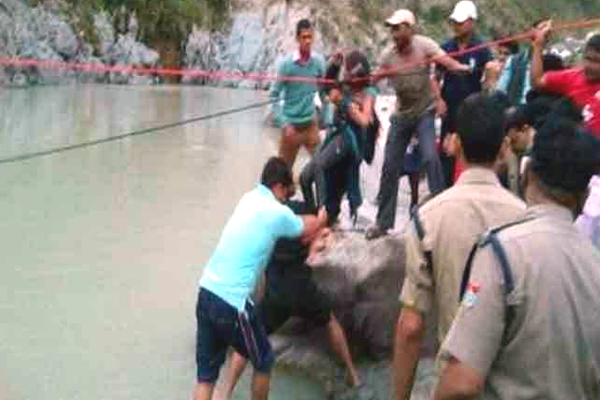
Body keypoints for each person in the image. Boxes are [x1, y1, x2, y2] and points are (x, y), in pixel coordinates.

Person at [434, 116, 600, 400]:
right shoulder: (594, 264)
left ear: (528, 174)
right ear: (584, 196)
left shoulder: (500, 253)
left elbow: (461, 383)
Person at [392, 92, 526, 400]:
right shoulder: (525, 218)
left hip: (453, 382)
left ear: (456, 144)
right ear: (503, 148)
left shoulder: (428, 218)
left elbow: (411, 327)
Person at [192, 157, 328, 400]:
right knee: (264, 359)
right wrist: (321, 217)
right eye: (287, 194)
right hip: (232, 303)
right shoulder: (276, 212)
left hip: (206, 291)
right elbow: (306, 227)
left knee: (206, 378)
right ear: (278, 187)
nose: (286, 201)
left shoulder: (248, 198)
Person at [223, 201, 361, 400]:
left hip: (277, 295)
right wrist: (322, 220)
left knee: (246, 342)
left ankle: (226, 391)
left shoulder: (271, 225)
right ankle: (353, 375)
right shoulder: (305, 225)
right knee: (331, 322)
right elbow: (320, 235)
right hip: (302, 290)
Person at [365, 9, 471, 240]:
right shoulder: (388, 56)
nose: (393, 33)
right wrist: (359, 80)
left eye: (397, 28)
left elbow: (446, 61)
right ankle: (383, 223)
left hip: (424, 111)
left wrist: (460, 68)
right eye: (391, 29)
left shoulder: (424, 45)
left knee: (430, 157)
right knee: (390, 165)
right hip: (402, 114)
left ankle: (442, 214)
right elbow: (374, 78)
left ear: (409, 29)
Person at [531, 23, 600, 248]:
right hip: (568, 168)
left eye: (597, 61)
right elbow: (538, 81)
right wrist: (537, 46)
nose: (590, 66)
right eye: (587, 58)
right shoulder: (573, 77)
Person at [300, 50, 378, 225]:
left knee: (321, 167)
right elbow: (326, 87)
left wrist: (343, 102)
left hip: (351, 139)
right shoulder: (345, 85)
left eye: (354, 75)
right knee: (304, 178)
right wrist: (334, 66)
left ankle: (322, 214)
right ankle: (313, 215)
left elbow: (365, 120)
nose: (350, 79)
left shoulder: (368, 92)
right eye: (348, 74)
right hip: (336, 135)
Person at [438, 0, 493, 188]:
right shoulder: (445, 48)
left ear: (472, 22)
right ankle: (444, 191)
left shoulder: (482, 50)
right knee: (445, 152)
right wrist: (438, 100)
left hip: (471, 113)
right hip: (449, 110)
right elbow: (435, 76)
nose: (456, 25)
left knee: (466, 154)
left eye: (460, 22)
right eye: (454, 21)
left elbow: (488, 82)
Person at [270, 19, 327, 168]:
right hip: (291, 129)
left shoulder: (319, 62)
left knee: (323, 168)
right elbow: (273, 96)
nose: (308, 41)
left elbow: (324, 91)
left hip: (311, 126)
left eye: (310, 37)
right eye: (304, 37)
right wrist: (284, 123)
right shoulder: (286, 65)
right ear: (297, 39)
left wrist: (327, 117)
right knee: (283, 177)